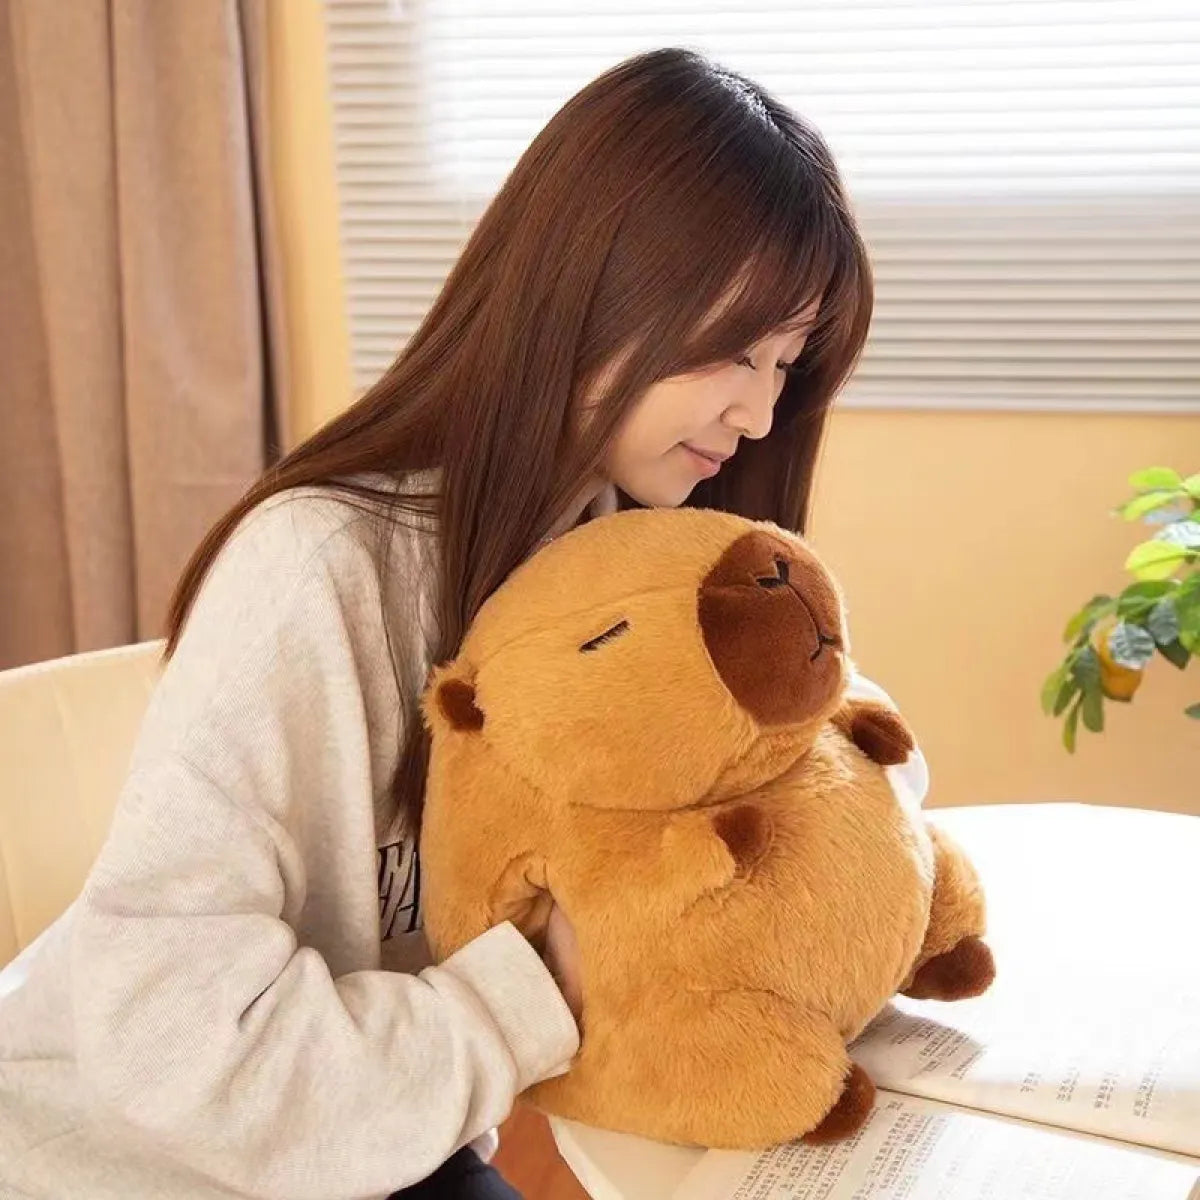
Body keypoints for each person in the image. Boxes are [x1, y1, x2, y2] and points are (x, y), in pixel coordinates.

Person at [0, 47, 928, 1200]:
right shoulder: (319, 569)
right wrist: (537, 993)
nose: (760, 413)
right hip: (125, 1161)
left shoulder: (615, 547)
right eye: (738, 349)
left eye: (787, 363)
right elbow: (170, 1030)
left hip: (376, 1136)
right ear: (594, 288)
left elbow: (833, 760)